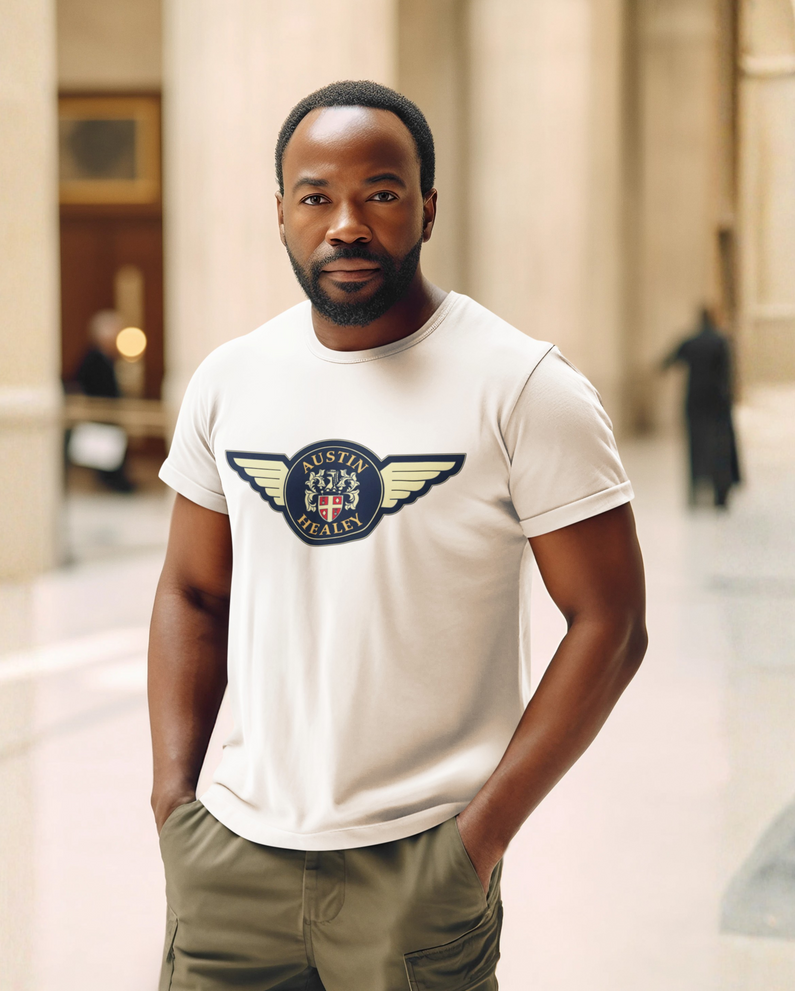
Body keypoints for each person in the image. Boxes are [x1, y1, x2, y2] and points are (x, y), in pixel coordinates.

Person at [149, 80, 647, 991]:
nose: (346, 225)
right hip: (230, 864)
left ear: (426, 208)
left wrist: (477, 841)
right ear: (281, 212)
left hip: (417, 866)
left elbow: (611, 623)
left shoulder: (523, 386)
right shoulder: (230, 380)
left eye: (380, 194)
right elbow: (193, 590)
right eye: (316, 197)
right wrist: (173, 801)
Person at [663, 306, 740, 508]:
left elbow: (667, 362)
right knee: (720, 447)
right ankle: (720, 492)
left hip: (695, 402)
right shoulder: (720, 341)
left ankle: (697, 488)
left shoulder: (691, 342)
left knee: (697, 447)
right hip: (717, 402)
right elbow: (727, 373)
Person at [71, 310, 134, 492]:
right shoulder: (94, 358)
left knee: (112, 449)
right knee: (104, 451)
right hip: (100, 412)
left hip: (108, 412)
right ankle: (111, 481)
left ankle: (116, 480)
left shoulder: (107, 358)